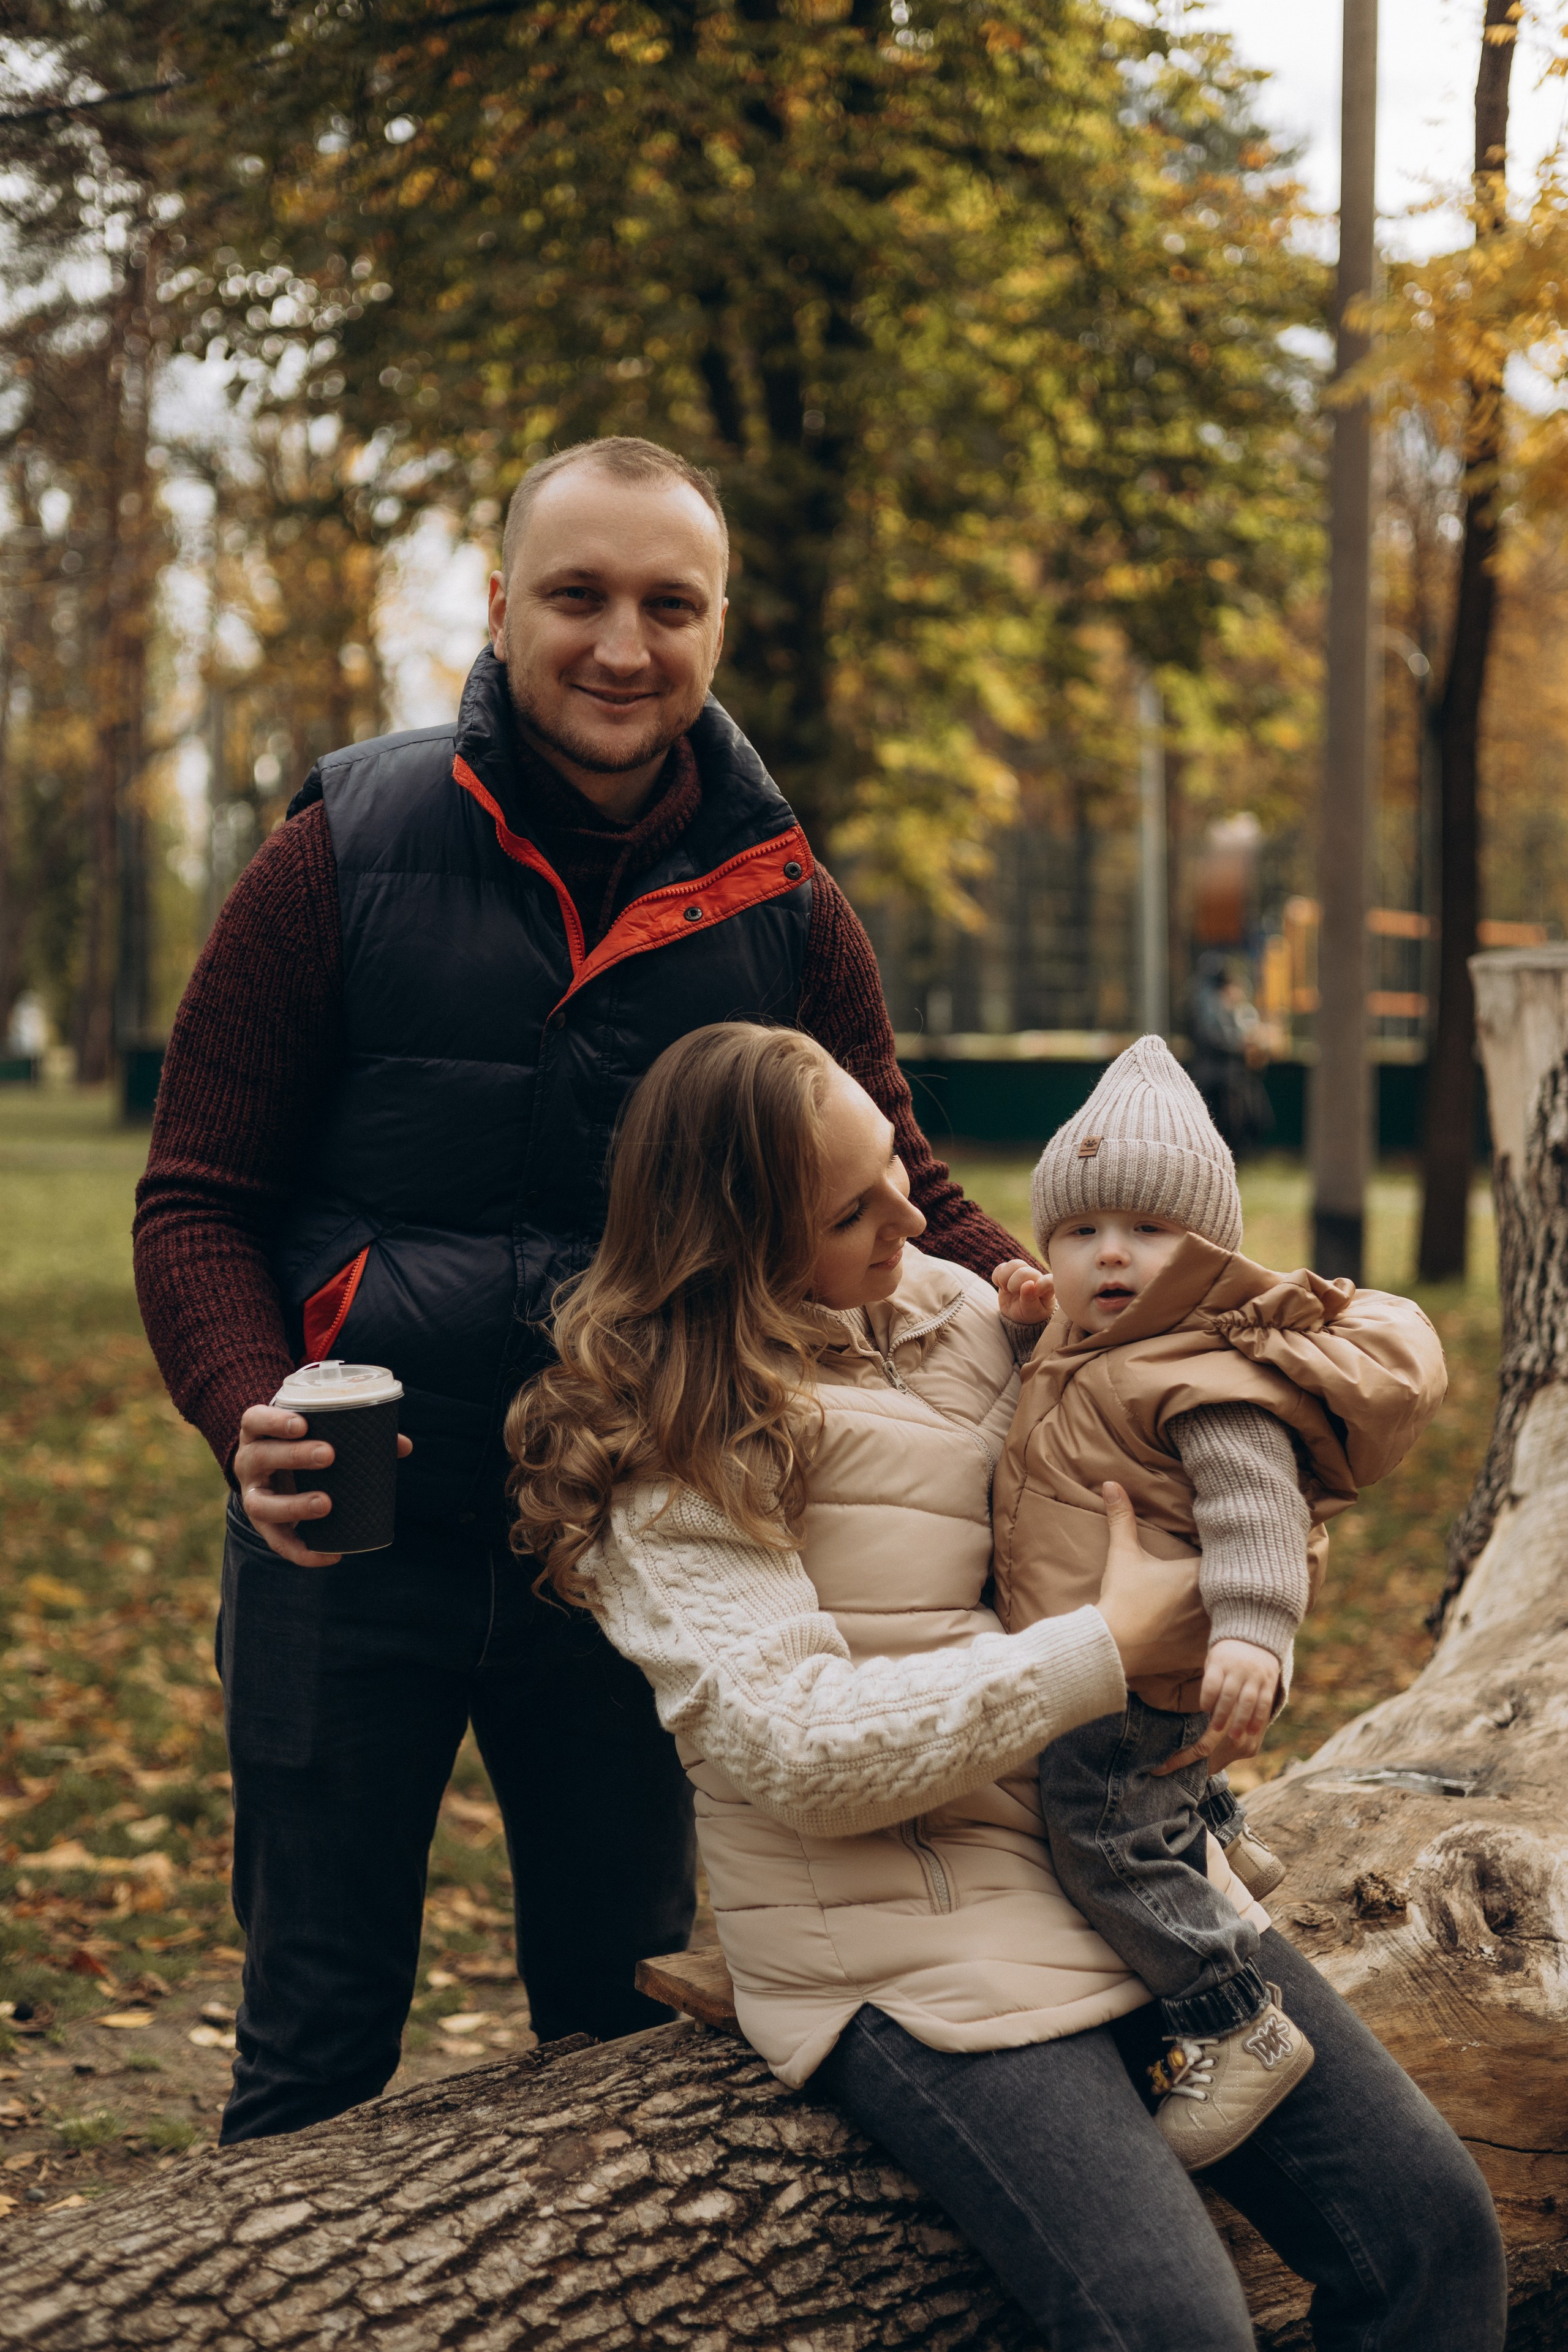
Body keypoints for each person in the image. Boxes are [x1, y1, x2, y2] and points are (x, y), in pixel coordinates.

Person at [131, 435, 1023, 2145]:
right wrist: (246, 1400)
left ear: (717, 627)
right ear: (500, 606)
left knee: (619, 2045)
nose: (623, 644)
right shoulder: (343, 843)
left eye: (667, 605)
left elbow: (899, 1182)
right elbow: (198, 1196)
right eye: (581, 597)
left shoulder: (783, 902)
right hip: (349, 1543)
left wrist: (1035, 1284)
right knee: (313, 2053)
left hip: (643, 1541)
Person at [505, 1020, 1504, 2351]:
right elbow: (795, 1753)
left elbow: (1192, 1408)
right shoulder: (672, 1460)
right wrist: (1103, 1641)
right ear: (736, 1244)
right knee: (1168, 2326)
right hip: (895, 1924)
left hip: (1115, 1863)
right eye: (851, 1207)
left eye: (890, 1165)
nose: (911, 1212)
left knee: (1433, 2235)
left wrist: (1246, 1551)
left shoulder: (969, 1315)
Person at [989, 1033, 1446, 2168]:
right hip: (1121, 1657)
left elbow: (1257, 1515)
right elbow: (1064, 1379)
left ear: (1207, 1252)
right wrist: (1025, 1317)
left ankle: (1234, 2019)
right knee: (1152, 1790)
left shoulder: (1202, 1378)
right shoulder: (1106, 1340)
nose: (1111, 1256)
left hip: (1136, 1680)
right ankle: (1224, 1834)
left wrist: (1255, 1633)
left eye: (1148, 1233)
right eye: (1084, 1232)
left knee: (1098, 1833)